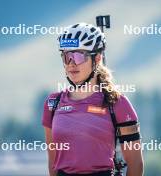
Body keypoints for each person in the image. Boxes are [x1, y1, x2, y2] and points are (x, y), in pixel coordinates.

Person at [42, 22, 143, 176]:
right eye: (66, 56)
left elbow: (135, 164)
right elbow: (53, 162)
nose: (71, 64)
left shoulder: (117, 103)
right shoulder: (53, 103)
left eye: (78, 56)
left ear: (97, 59)